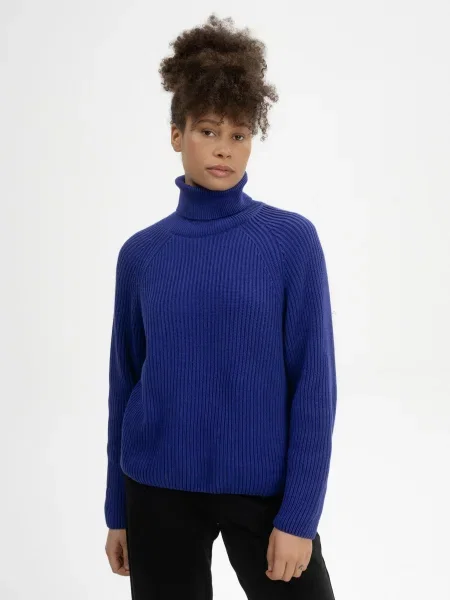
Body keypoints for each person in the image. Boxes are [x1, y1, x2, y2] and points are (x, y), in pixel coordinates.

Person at [104, 13, 337, 600]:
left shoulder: (290, 241)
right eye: (208, 131)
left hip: (262, 493)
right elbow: (124, 384)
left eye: (239, 135)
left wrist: (300, 516)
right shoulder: (142, 254)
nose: (224, 149)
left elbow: (314, 385)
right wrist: (117, 511)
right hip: (156, 488)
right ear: (176, 135)